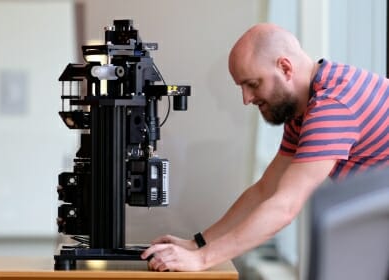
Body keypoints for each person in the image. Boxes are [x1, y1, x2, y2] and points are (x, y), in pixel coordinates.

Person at [141, 22, 389, 271]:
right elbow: (265, 190)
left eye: (253, 84)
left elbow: (285, 206)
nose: (246, 98)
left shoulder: (332, 106)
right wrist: (198, 245)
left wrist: (202, 259)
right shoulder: (306, 108)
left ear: (285, 67)